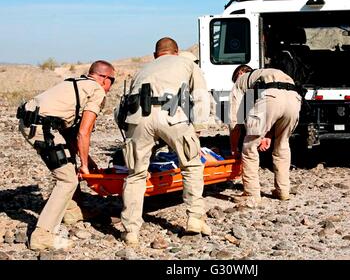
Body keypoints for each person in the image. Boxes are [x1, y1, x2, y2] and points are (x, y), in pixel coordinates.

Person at [118, 37, 211, 246]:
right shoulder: (186, 63)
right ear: (176, 52)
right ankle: (195, 219)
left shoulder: (143, 69)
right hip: (173, 113)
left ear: (155, 55)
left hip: (139, 117)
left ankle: (131, 231)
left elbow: (126, 103)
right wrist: (198, 129)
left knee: (136, 174)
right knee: (192, 165)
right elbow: (201, 95)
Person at [17, 60, 115, 250]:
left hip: (32, 122)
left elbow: (71, 136)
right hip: (42, 127)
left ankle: (71, 211)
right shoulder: (96, 91)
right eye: (112, 80)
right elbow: (83, 132)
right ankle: (42, 235)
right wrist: (85, 166)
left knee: (67, 163)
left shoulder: (75, 83)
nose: (111, 86)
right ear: (103, 78)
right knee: (67, 179)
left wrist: (87, 160)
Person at [229, 65, 302, 207]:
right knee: (282, 144)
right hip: (294, 98)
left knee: (249, 147)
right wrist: (266, 135)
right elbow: (275, 105)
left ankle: (251, 195)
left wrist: (233, 149)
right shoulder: (266, 74)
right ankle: (283, 191)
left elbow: (233, 121)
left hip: (271, 98)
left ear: (241, 72)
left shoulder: (241, 80)